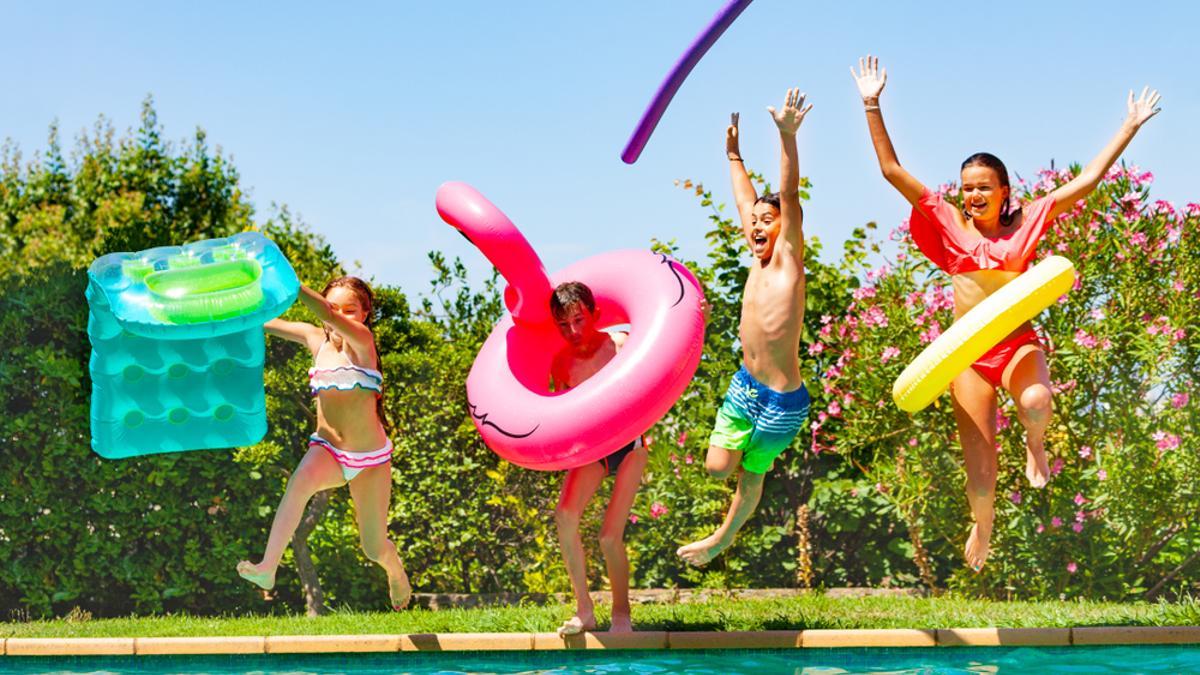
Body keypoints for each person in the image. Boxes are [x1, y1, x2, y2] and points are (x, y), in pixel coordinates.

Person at [851, 54, 1161, 570]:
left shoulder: (1027, 221)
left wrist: (1127, 127)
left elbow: (1085, 184)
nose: (972, 194)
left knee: (1037, 401)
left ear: (1004, 192)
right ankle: (984, 526)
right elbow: (890, 170)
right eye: (967, 186)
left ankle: (1035, 445)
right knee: (980, 470)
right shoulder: (947, 221)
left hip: (1017, 344)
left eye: (983, 187)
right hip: (968, 356)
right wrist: (871, 102)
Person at [677, 88, 813, 567]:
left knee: (750, 478)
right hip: (745, 387)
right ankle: (723, 531)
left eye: (766, 220)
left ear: (786, 229)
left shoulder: (788, 263)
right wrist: (733, 154)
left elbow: (789, 194)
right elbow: (743, 199)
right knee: (718, 469)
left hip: (783, 401)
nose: (755, 224)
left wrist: (786, 136)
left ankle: (722, 537)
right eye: (752, 221)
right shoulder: (756, 259)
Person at [237, 276, 411, 609]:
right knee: (298, 484)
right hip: (328, 450)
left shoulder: (362, 342)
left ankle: (395, 571)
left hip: (370, 459)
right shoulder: (314, 339)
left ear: (364, 314)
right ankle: (267, 568)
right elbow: (264, 323)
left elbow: (328, 315)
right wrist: (230, 312)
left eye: (351, 310)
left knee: (373, 548)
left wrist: (291, 282)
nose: (342, 316)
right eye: (335, 307)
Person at [549, 281, 648, 636]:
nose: (573, 330)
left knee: (609, 536)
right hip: (593, 450)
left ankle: (621, 614)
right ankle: (584, 610)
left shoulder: (619, 345)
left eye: (579, 319)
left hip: (629, 446)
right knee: (564, 516)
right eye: (563, 324)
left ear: (595, 314)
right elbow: (562, 414)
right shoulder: (562, 363)